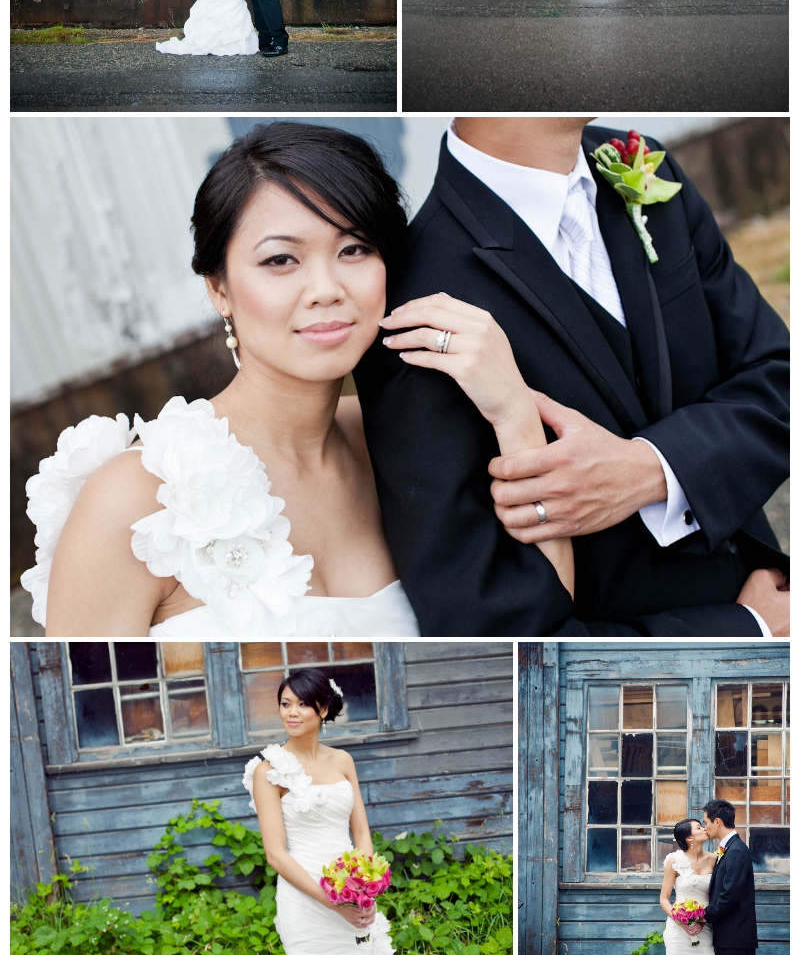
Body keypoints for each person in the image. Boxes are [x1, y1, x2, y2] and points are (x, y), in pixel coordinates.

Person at [23, 123, 572, 639]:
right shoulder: (134, 498)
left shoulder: (401, 435)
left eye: (354, 249)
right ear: (218, 288)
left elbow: (539, 622)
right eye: (281, 259)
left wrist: (514, 415)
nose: (326, 288)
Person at [357, 115, 791, 640]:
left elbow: (777, 374)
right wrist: (749, 629)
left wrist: (653, 469)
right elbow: (497, 626)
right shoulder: (417, 306)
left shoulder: (638, 160)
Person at [243, 665, 393, 955]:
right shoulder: (268, 771)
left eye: (302, 704)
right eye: (285, 704)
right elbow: (275, 854)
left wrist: (362, 888)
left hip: (352, 888)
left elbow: (361, 831)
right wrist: (334, 903)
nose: (291, 713)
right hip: (306, 895)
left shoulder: (342, 760)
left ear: (323, 709)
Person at [704, 796, 758, 955]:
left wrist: (703, 916)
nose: (705, 828)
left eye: (706, 823)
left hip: (736, 939)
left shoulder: (736, 851)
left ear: (717, 822)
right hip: (727, 937)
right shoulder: (729, 849)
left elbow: (729, 896)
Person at [660, 818, 718, 955]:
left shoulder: (714, 859)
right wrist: (682, 922)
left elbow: (719, 897)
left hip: (705, 926)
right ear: (689, 838)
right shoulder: (675, 862)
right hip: (679, 930)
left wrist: (702, 921)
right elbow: (664, 899)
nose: (705, 829)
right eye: (699, 827)